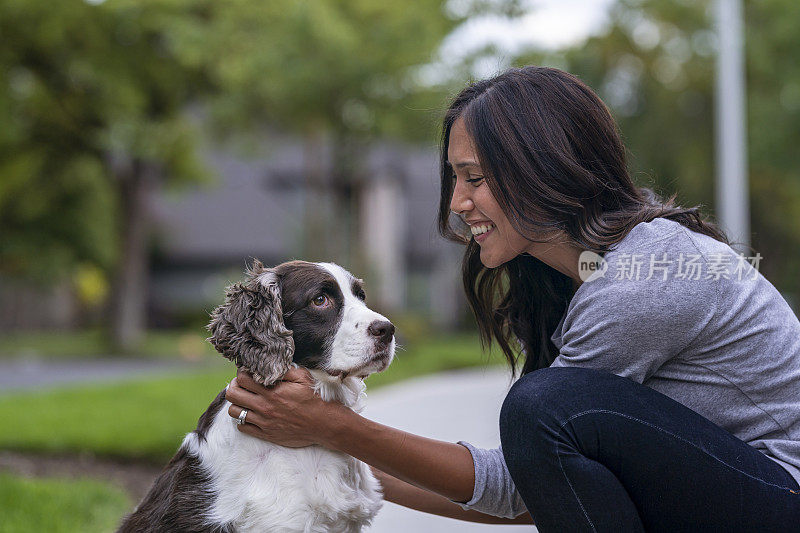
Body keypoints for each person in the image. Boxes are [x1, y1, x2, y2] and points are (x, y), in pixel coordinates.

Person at [225, 66, 800, 531]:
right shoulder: (568, 277)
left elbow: (511, 487)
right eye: (454, 179)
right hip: (731, 497)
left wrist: (332, 428)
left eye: (474, 178)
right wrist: (324, 447)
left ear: (546, 169)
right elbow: (532, 499)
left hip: (781, 498)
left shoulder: (639, 283)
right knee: (544, 408)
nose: (456, 203)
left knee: (541, 404)